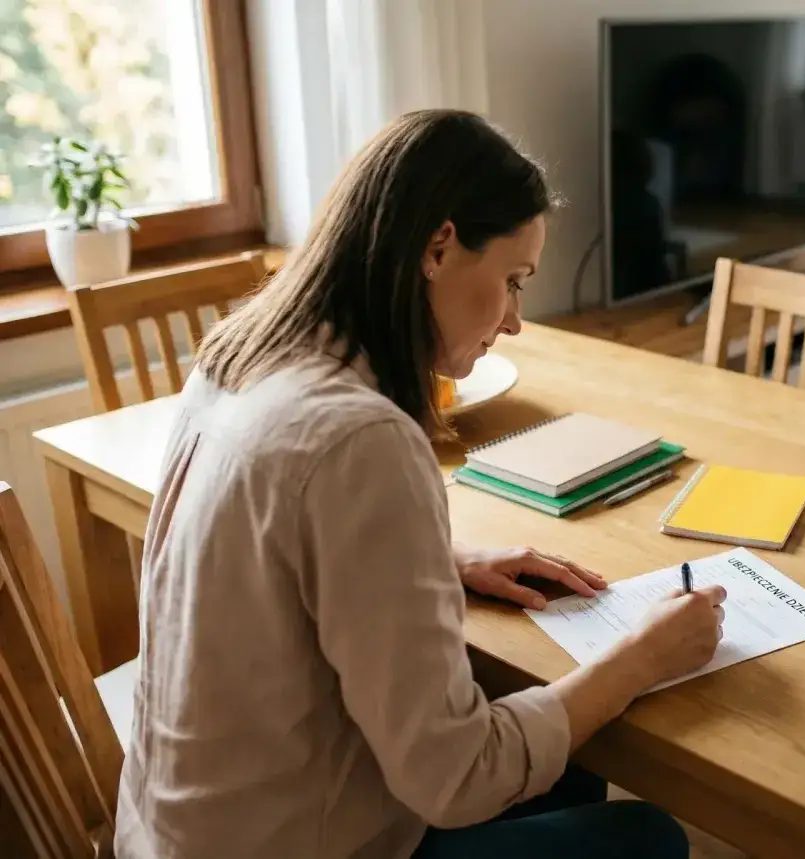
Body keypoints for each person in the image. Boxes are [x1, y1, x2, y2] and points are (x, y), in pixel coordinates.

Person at [114, 110, 726, 859]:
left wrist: (446, 556)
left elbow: (277, 543)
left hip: (180, 828)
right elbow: (458, 777)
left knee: (571, 767)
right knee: (648, 835)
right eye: (512, 281)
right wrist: (640, 658)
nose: (515, 320)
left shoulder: (241, 357)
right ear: (438, 246)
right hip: (290, 840)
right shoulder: (364, 439)